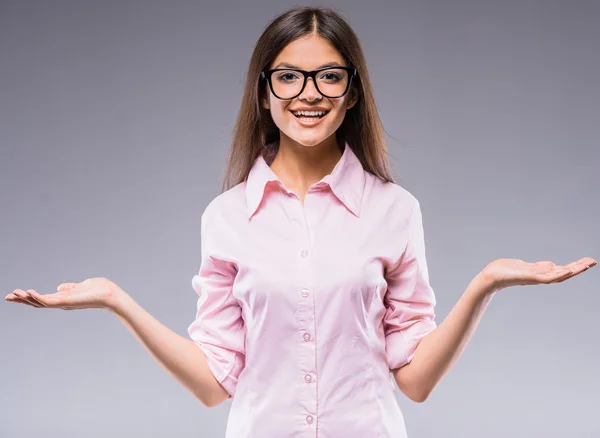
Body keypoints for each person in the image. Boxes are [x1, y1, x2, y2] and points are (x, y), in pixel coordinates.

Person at [5, 6, 596, 438]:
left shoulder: (395, 211)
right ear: (263, 93)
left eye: (329, 76)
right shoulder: (226, 217)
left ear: (353, 92)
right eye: (288, 76)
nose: (308, 94)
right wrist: (115, 300)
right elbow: (215, 384)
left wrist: (485, 284)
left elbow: (413, 382)